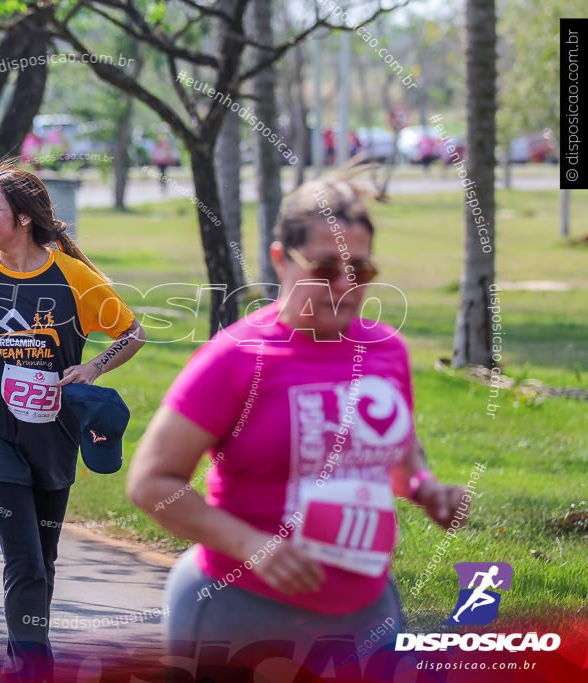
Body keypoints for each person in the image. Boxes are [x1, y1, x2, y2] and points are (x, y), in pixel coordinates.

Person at [127, 170, 468, 676]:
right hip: (242, 609)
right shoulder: (236, 358)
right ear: (280, 259)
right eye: (328, 268)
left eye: (361, 269)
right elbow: (151, 482)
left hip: (368, 612)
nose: (346, 286)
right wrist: (254, 548)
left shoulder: (386, 350)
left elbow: (392, 446)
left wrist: (424, 486)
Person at [0, 160, 146, 680]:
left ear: (23, 218)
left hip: (53, 432)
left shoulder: (74, 279)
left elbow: (133, 333)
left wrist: (92, 367)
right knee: (25, 559)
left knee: (44, 559)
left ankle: (25, 656)